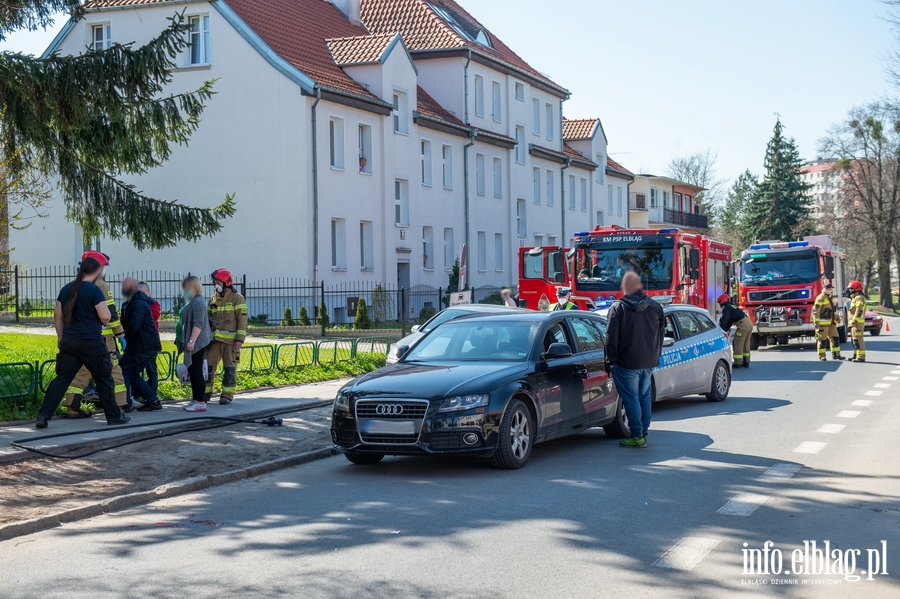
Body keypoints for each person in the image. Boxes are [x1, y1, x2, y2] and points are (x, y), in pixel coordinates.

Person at [35, 257, 130, 428]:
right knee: (104, 378)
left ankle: (43, 416)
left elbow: (57, 315)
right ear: (95, 272)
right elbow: (106, 316)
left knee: (62, 380)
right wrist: (106, 323)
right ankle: (114, 416)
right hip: (91, 343)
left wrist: (60, 337)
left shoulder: (66, 289)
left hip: (69, 343)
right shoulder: (94, 290)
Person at [61, 251, 129, 418]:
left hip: (78, 338)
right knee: (113, 371)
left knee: (81, 371)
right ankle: (119, 407)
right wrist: (120, 335)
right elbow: (110, 313)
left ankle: (72, 406)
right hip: (102, 340)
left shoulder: (74, 285)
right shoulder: (100, 285)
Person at [606, 272, 665, 448]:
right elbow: (660, 335)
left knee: (631, 398)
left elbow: (611, 337)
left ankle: (637, 435)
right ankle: (643, 432)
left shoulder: (618, 308)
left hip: (626, 362)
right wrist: (656, 354)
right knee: (644, 396)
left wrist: (611, 360)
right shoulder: (655, 306)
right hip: (648, 361)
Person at [119, 277, 163, 411]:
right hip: (143, 345)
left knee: (124, 369)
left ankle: (126, 402)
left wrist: (123, 336)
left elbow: (134, 326)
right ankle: (153, 400)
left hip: (142, 346)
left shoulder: (138, 303)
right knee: (132, 373)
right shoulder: (130, 303)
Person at [206, 268, 248, 405]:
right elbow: (207, 319)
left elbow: (242, 321)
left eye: (217, 282)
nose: (215, 285)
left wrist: (239, 340)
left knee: (230, 369)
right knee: (208, 368)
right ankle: (205, 393)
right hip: (214, 341)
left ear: (226, 283)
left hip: (231, 342)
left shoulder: (237, 298)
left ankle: (227, 395)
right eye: (214, 283)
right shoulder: (213, 299)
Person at [180, 276, 213, 412]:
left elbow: (198, 323)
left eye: (187, 287)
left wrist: (192, 341)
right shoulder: (193, 301)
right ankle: (196, 398)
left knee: (196, 370)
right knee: (193, 370)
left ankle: (200, 401)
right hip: (195, 341)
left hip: (198, 341)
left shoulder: (198, 302)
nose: (185, 290)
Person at [717, 294, 753, 368]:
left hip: (742, 325)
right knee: (746, 343)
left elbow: (725, 321)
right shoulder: (732, 306)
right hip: (749, 324)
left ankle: (738, 362)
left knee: (738, 343)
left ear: (721, 301)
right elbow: (730, 321)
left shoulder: (726, 308)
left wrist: (720, 330)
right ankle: (746, 361)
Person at [138, 281, 161, 395]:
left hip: (151, 342)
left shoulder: (154, 304)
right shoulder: (133, 303)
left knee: (151, 369)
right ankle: (138, 391)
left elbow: (153, 317)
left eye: (143, 293)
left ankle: (152, 391)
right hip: (138, 342)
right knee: (136, 369)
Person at [812, 283, 845, 362]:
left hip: (831, 323)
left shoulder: (830, 298)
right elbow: (816, 311)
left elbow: (833, 311)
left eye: (831, 289)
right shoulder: (820, 298)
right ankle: (821, 356)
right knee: (822, 340)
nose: (831, 290)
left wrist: (837, 318)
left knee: (835, 338)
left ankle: (836, 355)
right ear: (826, 289)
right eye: (829, 288)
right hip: (822, 324)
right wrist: (816, 323)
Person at [847, 280, 867, 363]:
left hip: (857, 323)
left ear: (857, 288)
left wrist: (854, 321)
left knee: (858, 339)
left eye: (851, 288)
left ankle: (861, 357)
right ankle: (855, 355)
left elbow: (859, 310)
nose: (849, 290)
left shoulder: (859, 298)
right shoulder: (854, 298)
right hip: (854, 323)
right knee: (854, 340)